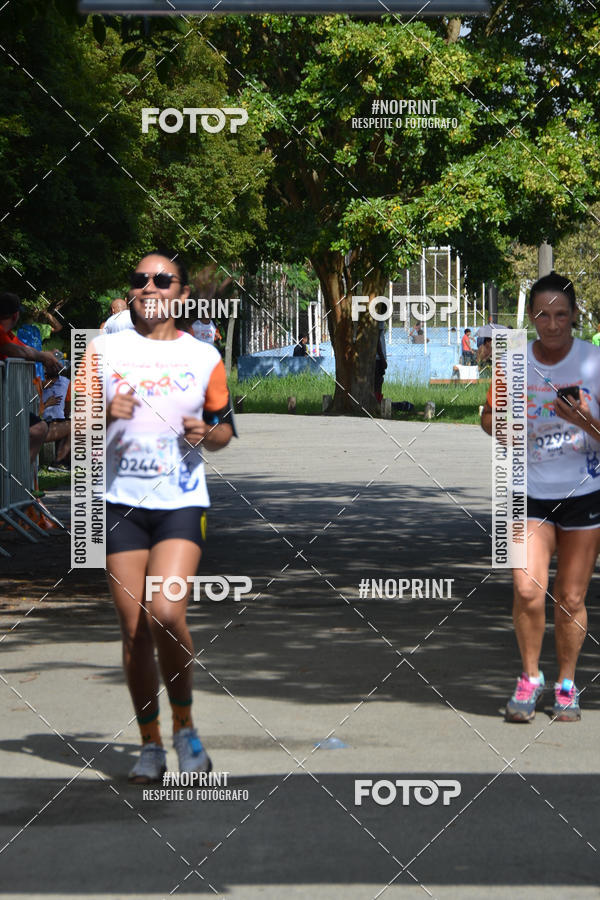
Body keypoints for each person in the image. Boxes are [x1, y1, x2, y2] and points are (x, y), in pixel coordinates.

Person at [98, 251, 236, 784]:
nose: (150, 287)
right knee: (133, 630)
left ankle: (185, 727)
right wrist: (103, 413)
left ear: (181, 292)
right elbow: (74, 425)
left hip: (180, 500)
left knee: (164, 611)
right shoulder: (103, 349)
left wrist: (209, 434)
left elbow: (224, 430)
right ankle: (151, 743)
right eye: (140, 280)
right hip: (119, 504)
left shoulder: (203, 356)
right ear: (132, 289)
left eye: (162, 280)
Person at [480, 273, 600, 723]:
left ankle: (567, 685)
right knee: (528, 590)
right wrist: (498, 426)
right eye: (543, 315)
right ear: (531, 317)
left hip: (585, 491)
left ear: (574, 316)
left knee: (570, 598)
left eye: (561, 315)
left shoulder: (594, 362)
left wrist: (585, 419)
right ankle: (530, 679)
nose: (552, 325)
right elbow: (490, 419)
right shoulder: (511, 362)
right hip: (523, 491)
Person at [0, 292, 60, 462]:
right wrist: (44, 357)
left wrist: (45, 355)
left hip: (8, 400)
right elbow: (16, 351)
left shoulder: (10, 334)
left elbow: (25, 350)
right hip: (6, 400)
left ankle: (19, 482)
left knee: (38, 427)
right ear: (15, 315)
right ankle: (16, 481)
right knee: (38, 428)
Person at [42, 356, 71, 471]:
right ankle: (60, 462)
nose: (55, 367)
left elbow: (67, 406)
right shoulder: (38, 381)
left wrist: (64, 417)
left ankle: (60, 462)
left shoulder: (66, 383)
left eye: (57, 365)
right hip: (40, 421)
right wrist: (47, 404)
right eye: (51, 364)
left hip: (58, 420)